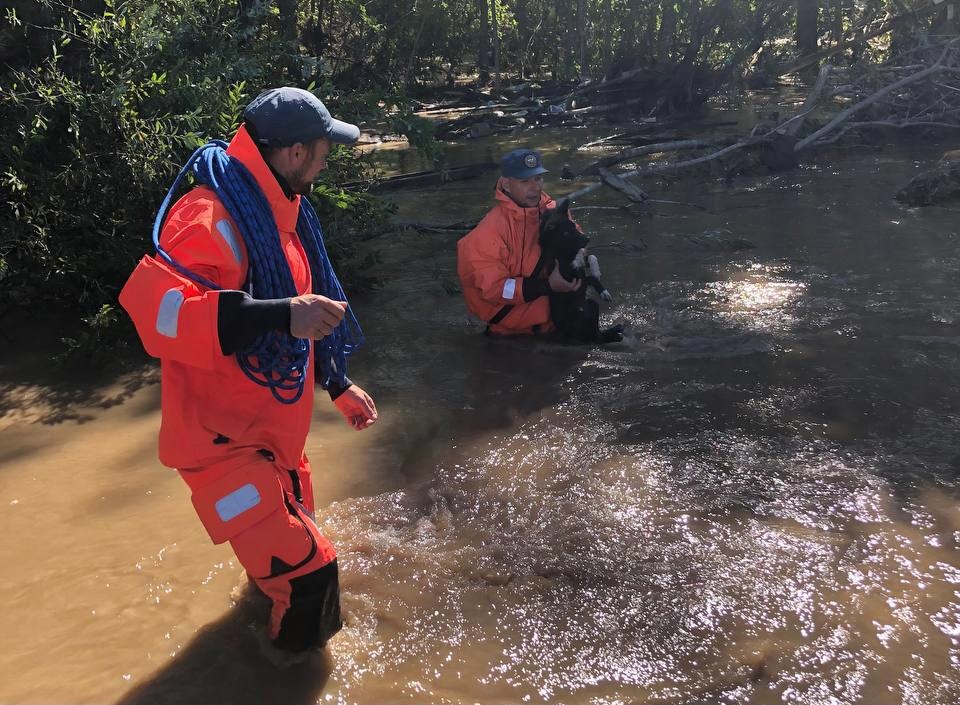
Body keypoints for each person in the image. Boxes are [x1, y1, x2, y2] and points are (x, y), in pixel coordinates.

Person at [119, 87, 378, 654]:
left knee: (285, 566)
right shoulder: (207, 218)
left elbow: (302, 322)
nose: (327, 159)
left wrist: (336, 383)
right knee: (313, 578)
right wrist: (283, 314)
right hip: (222, 447)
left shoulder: (284, 218)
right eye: (322, 148)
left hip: (273, 439)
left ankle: (261, 629)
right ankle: (277, 680)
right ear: (291, 154)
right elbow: (155, 316)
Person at [456, 148, 582, 336]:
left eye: (538, 178)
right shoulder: (485, 235)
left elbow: (576, 237)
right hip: (512, 338)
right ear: (506, 184)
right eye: (525, 181)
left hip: (560, 322)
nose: (535, 188)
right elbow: (495, 290)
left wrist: (579, 255)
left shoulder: (554, 211)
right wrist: (547, 286)